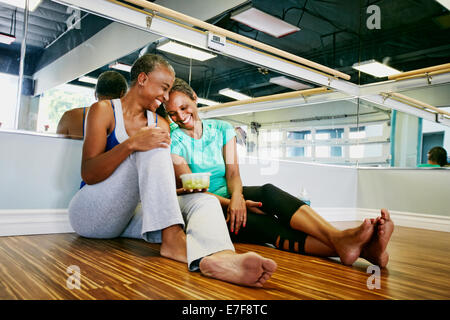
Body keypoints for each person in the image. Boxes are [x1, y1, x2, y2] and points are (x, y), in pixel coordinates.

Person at [68, 54, 276, 288]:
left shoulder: (161, 123)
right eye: (164, 88)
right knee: (152, 148)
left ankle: (222, 259)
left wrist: (183, 190)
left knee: (201, 201)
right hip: (90, 215)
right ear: (143, 79)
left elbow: (156, 185)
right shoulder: (104, 110)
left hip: (129, 216)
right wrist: (132, 144)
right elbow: (89, 173)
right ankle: (173, 240)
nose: (166, 97)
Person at [166, 78, 395, 268]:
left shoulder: (222, 128)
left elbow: (233, 173)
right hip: (208, 210)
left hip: (231, 196)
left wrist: (238, 198)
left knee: (269, 192)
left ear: (195, 98)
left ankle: (348, 243)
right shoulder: (174, 142)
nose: (180, 116)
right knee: (269, 227)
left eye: (184, 107)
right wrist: (233, 205)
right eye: (172, 113)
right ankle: (360, 247)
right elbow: (194, 191)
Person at [56, 71, 128, 139]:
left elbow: (54, 147)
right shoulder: (128, 122)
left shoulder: (69, 116)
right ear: (122, 94)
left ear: (95, 94)